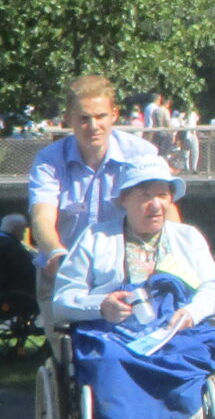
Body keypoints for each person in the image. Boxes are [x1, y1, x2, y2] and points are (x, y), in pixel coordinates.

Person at [52, 157, 215, 419]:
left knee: (189, 364)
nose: (156, 204)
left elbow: (212, 286)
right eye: (145, 195)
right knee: (105, 360)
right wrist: (100, 304)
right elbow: (63, 299)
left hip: (173, 330)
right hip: (114, 331)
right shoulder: (96, 237)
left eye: (163, 195)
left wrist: (192, 311)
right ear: (125, 199)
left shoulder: (187, 238)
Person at [25, 75, 161, 307]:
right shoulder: (49, 161)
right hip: (63, 274)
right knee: (66, 343)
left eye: (101, 116)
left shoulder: (141, 154)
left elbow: (163, 210)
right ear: (68, 119)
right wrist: (56, 254)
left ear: (114, 115)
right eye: (84, 118)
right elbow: (41, 218)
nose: (93, 126)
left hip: (125, 276)